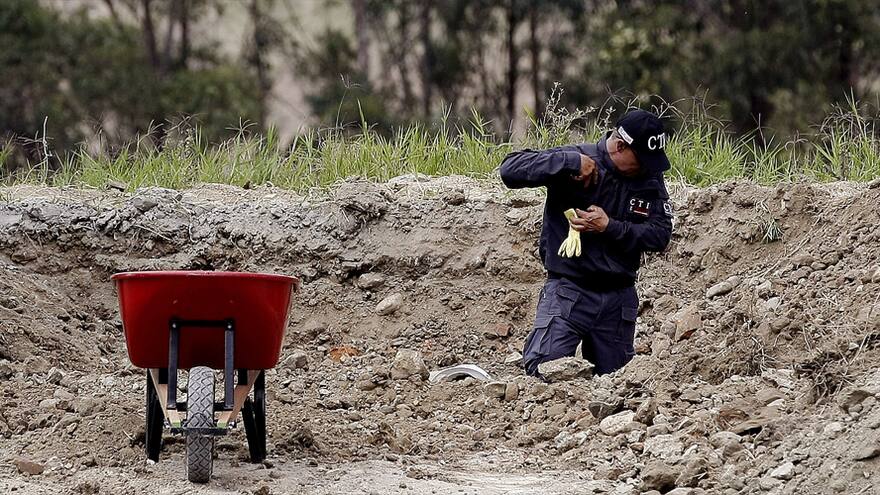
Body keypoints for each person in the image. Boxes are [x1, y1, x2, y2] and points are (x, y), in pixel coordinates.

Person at [499, 109, 673, 377]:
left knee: (619, 385)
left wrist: (610, 227)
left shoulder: (649, 177)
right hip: (569, 291)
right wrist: (569, 162)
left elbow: (660, 235)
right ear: (619, 146)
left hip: (618, 299)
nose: (648, 168)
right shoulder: (577, 159)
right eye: (642, 160)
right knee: (544, 373)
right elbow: (510, 170)